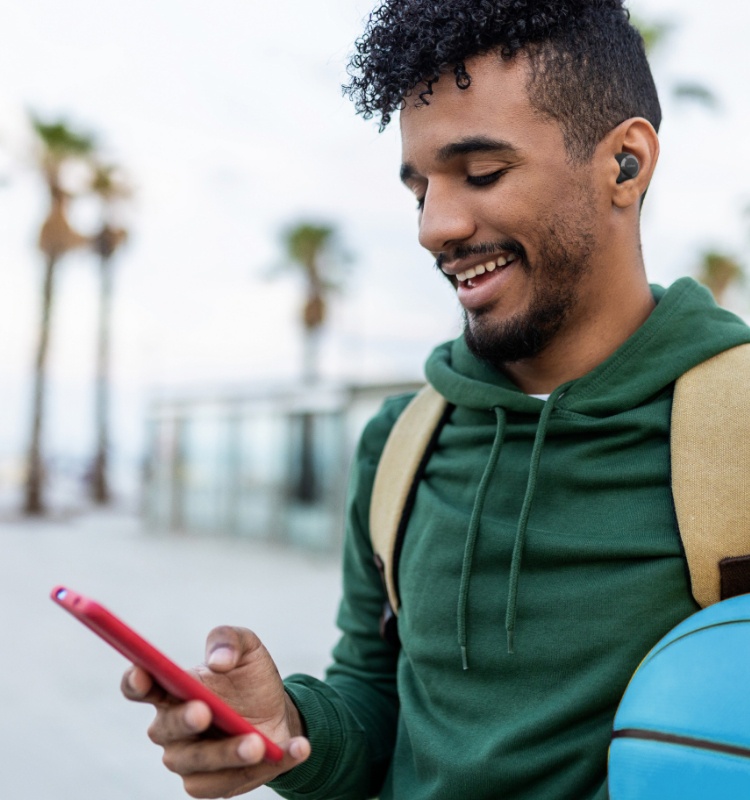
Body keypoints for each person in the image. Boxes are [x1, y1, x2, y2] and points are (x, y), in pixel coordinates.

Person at [122, 1, 750, 798]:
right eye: (420, 187)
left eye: (481, 172)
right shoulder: (401, 443)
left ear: (625, 163)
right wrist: (289, 729)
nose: (434, 226)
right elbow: (377, 703)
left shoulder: (741, 430)